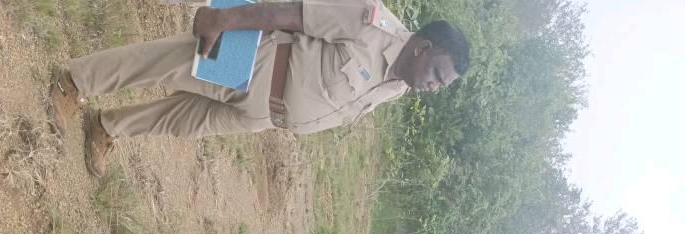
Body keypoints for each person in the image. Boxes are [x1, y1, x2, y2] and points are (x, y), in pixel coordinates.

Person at [48, 0, 470, 177]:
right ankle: (73, 82)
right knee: (162, 65)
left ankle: (107, 127)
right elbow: (291, 13)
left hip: (264, 115)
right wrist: (223, 20)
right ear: (424, 48)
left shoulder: (397, 87)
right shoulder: (369, 21)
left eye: (442, 85)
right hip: (258, 64)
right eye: (437, 74)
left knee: (180, 122)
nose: (434, 87)